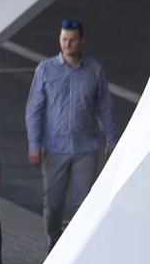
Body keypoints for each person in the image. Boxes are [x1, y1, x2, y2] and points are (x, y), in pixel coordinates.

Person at [25, 18, 116, 248]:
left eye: (72, 40)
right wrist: (34, 145)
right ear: (59, 40)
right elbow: (34, 110)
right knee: (53, 203)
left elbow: (105, 108)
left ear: (81, 41)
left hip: (86, 148)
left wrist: (111, 141)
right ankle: (54, 238)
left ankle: (74, 247)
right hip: (54, 149)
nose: (68, 44)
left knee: (82, 202)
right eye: (64, 39)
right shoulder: (45, 70)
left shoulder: (94, 71)